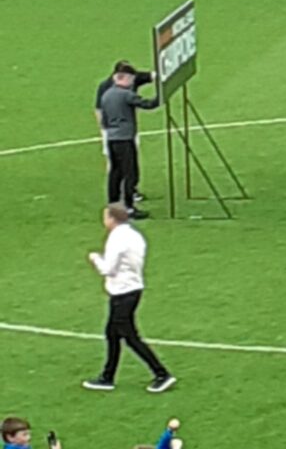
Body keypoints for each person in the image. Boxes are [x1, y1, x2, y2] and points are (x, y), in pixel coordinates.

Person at [83, 204, 176, 393]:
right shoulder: (135, 235)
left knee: (129, 336)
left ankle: (161, 374)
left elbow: (108, 269)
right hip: (133, 288)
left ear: (111, 219)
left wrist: (95, 258)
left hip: (122, 293)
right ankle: (107, 376)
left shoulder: (116, 239)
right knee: (112, 333)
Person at [99, 66, 160, 220]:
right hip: (124, 139)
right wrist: (162, 95)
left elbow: (103, 119)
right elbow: (149, 104)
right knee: (129, 172)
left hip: (111, 138)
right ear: (124, 78)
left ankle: (113, 204)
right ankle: (129, 207)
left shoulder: (106, 95)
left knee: (115, 172)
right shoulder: (126, 95)